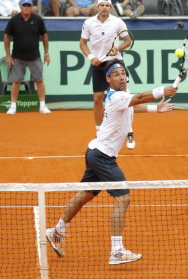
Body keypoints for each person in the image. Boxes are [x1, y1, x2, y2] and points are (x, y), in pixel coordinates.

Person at [46, 58, 177, 265]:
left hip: (94, 152)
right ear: (108, 79)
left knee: (85, 196)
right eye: (116, 74)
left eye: (123, 73)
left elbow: (133, 106)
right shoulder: (117, 97)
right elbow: (142, 97)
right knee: (123, 198)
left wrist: (156, 109)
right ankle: (117, 251)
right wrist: (163, 90)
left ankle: (56, 231)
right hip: (103, 156)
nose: (121, 76)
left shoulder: (121, 97)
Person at [80, 0, 136, 149]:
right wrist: (91, 57)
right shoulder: (89, 23)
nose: (104, 8)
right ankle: (99, 132)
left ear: (110, 8)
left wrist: (117, 48)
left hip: (115, 62)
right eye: (102, 5)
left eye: (107, 5)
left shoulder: (118, 22)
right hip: (98, 63)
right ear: (97, 7)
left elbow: (127, 41)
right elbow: (83, 43)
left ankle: (129, 131)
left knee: (125, 97)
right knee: (98, 98)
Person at [4, 0, 51, 115]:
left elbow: (44, 37)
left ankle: (42, 106)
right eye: (24, 5)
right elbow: (7, 37)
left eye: (29, 5)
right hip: (17, 57)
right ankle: (13, 106)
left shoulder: (38, 19)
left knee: (39, 81)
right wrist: (8, 56)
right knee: (16, 81)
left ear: (32, 7)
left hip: (35, 57)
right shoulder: (14, 20)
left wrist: (46, 54)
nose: (26, 7)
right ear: (20, 6)